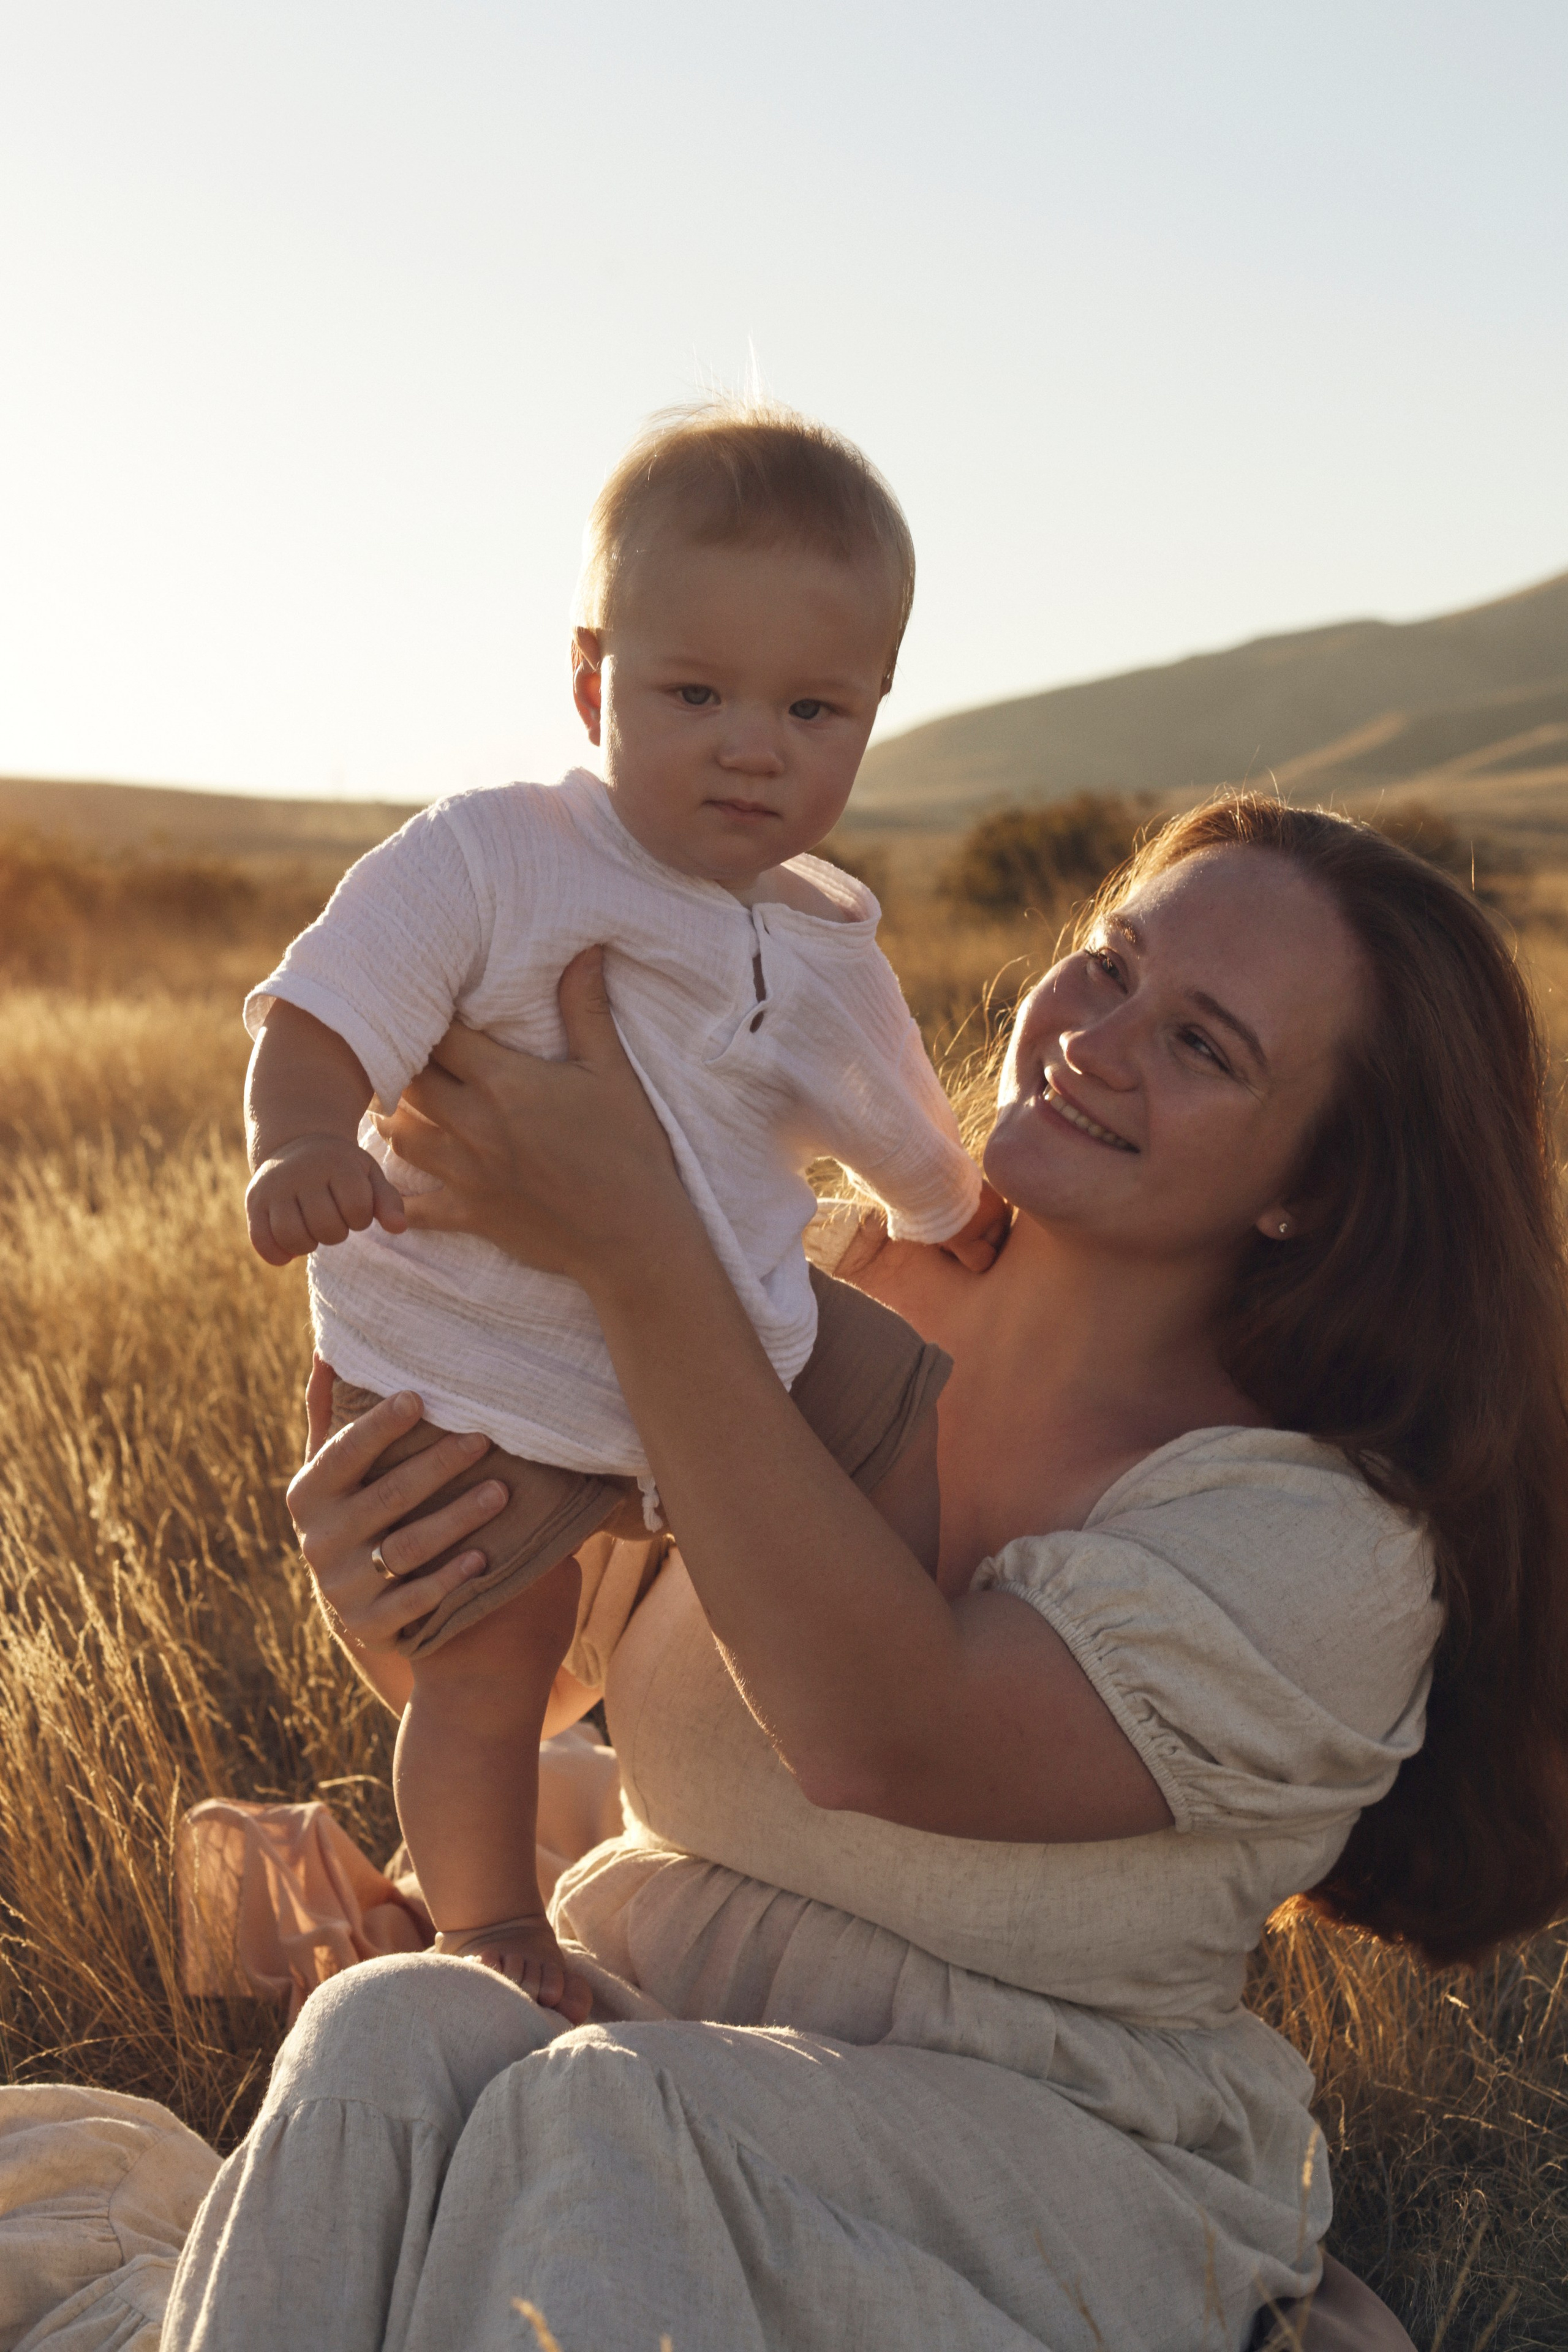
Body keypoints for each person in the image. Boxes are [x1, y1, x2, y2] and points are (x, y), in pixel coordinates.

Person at [170, 797, 1568, 2351]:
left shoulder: (1322, 1539)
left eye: (1201, 1045)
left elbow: (882, 1734)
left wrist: (643, 1252)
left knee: (608, 2122)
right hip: (650, 2013)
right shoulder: (795, 1279)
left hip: (1046, 2143)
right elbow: (548, 1680)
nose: (1094, 1040)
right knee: (381, 2025)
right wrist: (402, 1592)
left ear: (1316, 1182)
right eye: (1108, 965)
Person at [240, 402, 1006, 2016]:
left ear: (872, 714)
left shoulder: (825, 947)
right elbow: (330, 1000)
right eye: (695, 694)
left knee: (895, 1393)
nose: (753, 745)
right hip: (479, 1362)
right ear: (594, 685)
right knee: (485, 1661)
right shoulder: (498, 858)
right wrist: (300, 1136)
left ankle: (863, 1640)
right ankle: (485, 1926)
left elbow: (897, 1127)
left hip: (731, 1339)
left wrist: (953, 1211)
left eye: (812, 708)